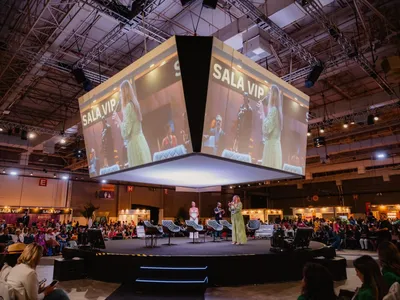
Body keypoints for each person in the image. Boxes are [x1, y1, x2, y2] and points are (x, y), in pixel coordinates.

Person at [113, 80, 151, 167]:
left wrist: (118, 120)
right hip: (141, 142)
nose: (120, 96)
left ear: (124, 92)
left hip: (134, 146)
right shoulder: (135, 104)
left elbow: (126, 133)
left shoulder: (128, 107)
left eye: (121, 92)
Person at [257, 85, 283, 169]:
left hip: (271, 148)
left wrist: (262, 111)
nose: (268, 94)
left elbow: (266, 129)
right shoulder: (278, 111)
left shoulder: (274, 110)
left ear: (273, 95)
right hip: (275, 147)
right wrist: (263, 116)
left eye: (270, 92)